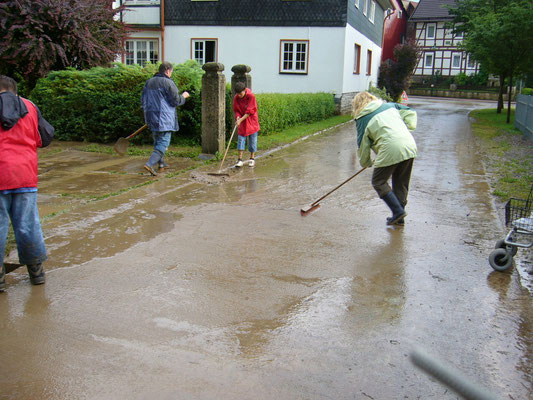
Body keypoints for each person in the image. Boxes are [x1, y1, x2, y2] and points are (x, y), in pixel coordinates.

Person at [0, 75, 55, 291]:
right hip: (24, 173)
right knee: (28, 224)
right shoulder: (30, 106)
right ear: (15, 90)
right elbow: (43, 138)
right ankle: (36, 272)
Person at [352, 91, 417, 226]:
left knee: (378, 182)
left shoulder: (362, 119)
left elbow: (362, 146)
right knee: (401, 183)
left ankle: (398, 212)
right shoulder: (390, 106)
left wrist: (366, 162)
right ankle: (400, 217)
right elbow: (410, 112)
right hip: (409, 145)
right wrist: (407, 129)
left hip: (390, 148)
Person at [141, 61, 190, 176]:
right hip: (164, 117)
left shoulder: (149, 82)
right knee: (163, 142)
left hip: (150, 115)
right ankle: (149, 164)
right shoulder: (167, 82)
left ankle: (161, 163)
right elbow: (175, 101)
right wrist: (183, 96)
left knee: (157, 140)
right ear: (168, 70)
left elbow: (143, 100)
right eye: (171, 72)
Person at [233, 82, 260, 167]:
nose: (239, 96)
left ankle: (252, 158)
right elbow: (236, 110)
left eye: (241, 93)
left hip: (252, 121)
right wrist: (237, 117)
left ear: (244, 90)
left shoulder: (251, 96)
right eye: (238, 94)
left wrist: (240, 120)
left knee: (252, 140)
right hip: (242, 122)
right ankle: (240, 160)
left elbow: (249, 111)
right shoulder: (236, 98)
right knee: (241, 139)